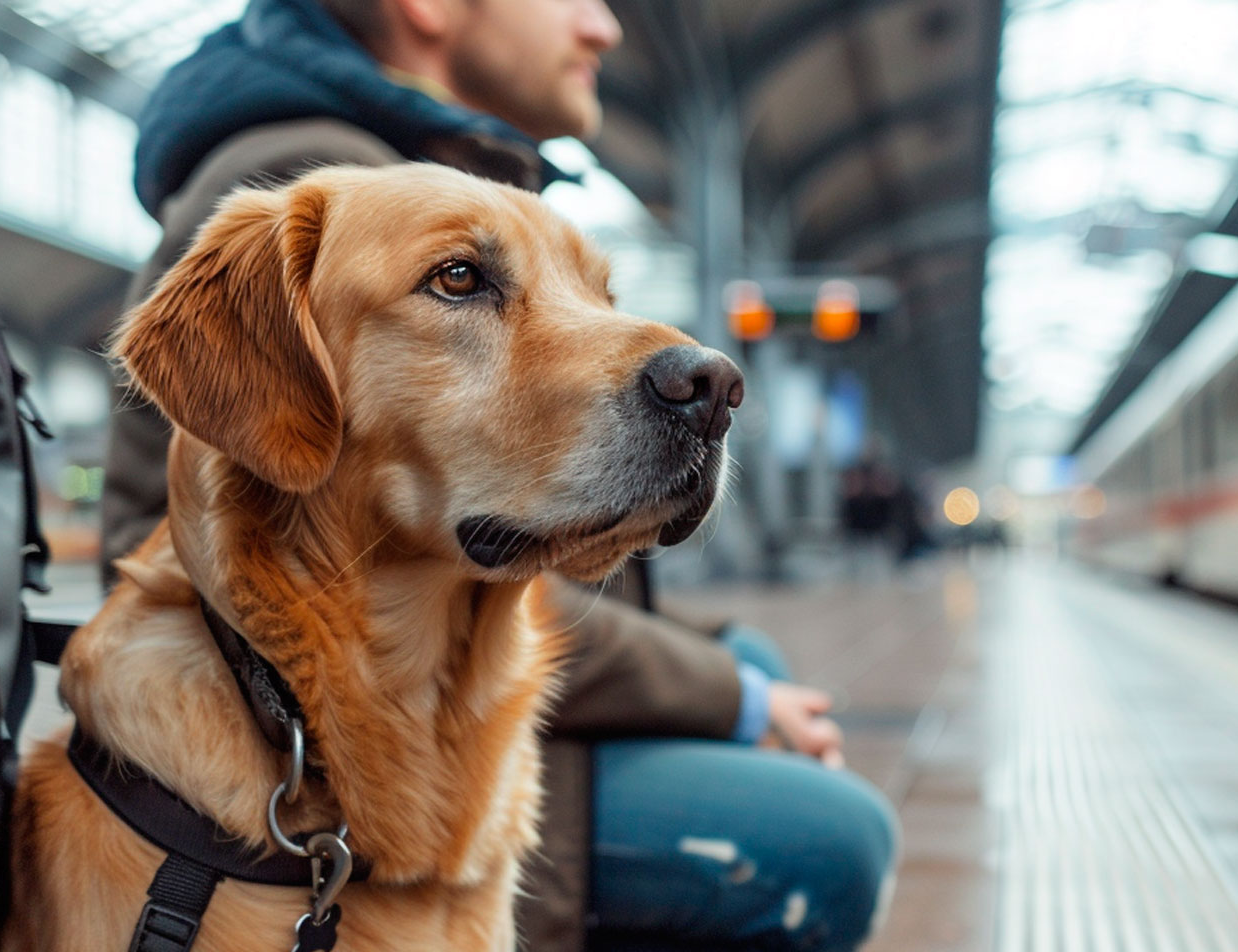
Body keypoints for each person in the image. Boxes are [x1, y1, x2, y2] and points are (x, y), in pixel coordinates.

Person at [97, 0, 898, 949]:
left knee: (757, 662)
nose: (604, 29)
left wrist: (729, 667)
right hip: (321, 758)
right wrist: (732, 696)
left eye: (597, 295)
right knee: (831, 839)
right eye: (464, 283)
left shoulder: (440, 173)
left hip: (458, 693)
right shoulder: (305, 173)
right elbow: (256, 553)